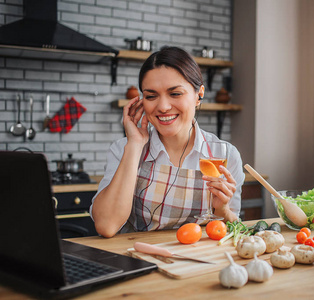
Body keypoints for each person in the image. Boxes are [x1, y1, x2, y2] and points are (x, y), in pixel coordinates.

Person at [90, 46, 245, 238]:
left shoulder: (226, 155)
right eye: (151, 96)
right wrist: (135, 145)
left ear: (199, 95)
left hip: (198, 263)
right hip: (136, 259)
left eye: (175, 93)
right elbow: (106, 225)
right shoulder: (123, 149)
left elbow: (235, 231)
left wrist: (223, 212)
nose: (163, 107)